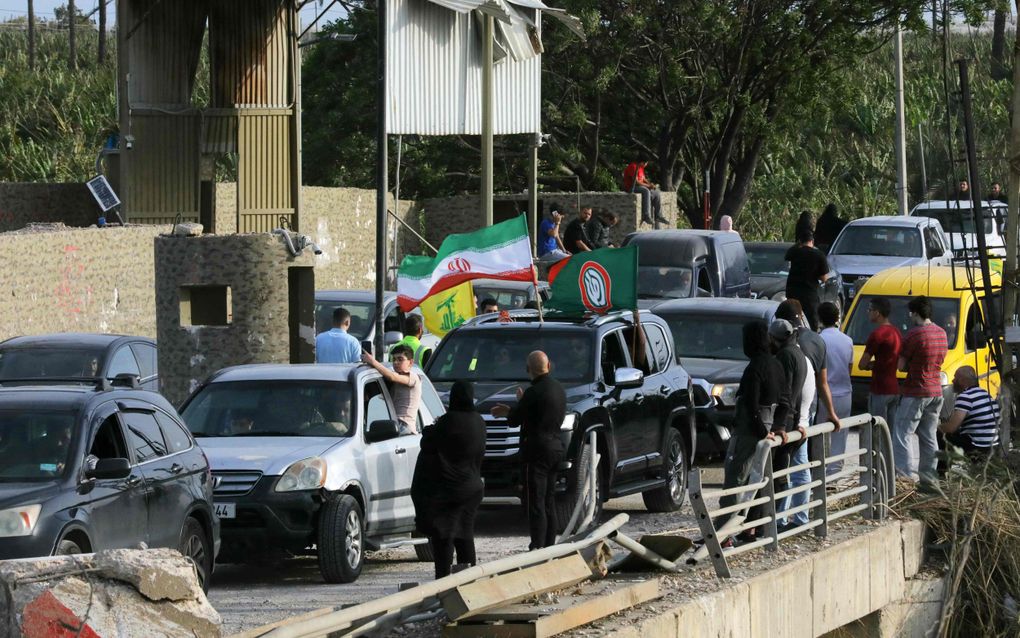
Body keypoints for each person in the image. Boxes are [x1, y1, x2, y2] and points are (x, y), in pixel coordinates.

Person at [716, 320, 785, 543]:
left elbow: (750, 403)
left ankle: (723, 534)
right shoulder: (776, 364)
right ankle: (751, 529)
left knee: (734, 481)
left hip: (749, 432)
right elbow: (785, 401)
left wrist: (759, 430)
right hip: (769, 429)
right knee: (758, 482)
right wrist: (777, 428)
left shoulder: (755, 366)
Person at [490, 351, 566, 550]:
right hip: (556, 448)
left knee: (535, 500)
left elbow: (515, 420)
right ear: (548, 365)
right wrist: (520, 406)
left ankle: (537, 545)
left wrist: (511, 410)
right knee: (549, 500)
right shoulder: (558, 388)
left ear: (527, 369)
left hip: (537, 452)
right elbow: (539, 413)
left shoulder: (533, 392)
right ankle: (549, 545)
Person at [411, 380, 486, 578]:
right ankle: (467, 579)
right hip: (472, 488)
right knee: (465, 535)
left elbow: (428, 443)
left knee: (444, 536)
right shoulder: (479, 421)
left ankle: (443, 581)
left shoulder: (448, 421)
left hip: (448, 491)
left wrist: (430, 429)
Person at [894, 295, 948, 487]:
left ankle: (905, 480)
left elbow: (900, 366)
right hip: (936, 391)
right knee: (929, 436)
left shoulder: (913, 335)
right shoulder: (942, 333)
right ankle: (929, 481)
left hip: (916, 391)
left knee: (902, 434)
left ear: (914, 313)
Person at [767, 319, 807, 536]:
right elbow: (799, 393)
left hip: (785, 421)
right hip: (795, 419)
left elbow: (786, 392)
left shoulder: (784, 356)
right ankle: (777, 521)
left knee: (778, 473)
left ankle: (774, 523)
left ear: (774, 338)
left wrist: (780, 424)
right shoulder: (799, 354)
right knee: (785, 471)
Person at [817, 302, 853, 474]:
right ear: (837, 318)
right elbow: (849, 368)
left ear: (819, 318)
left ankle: (819, 472)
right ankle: (835, 475)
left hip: (824, 395)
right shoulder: (848, 340)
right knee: (840, 435)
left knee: (818, 436)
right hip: (845, 393)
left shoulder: (818, 340)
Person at [939, 366, 999, 462]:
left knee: (940, 435)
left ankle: (942, 473)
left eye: (955, 378)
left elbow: (951, 428)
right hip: (993, 445)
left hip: (977, 446)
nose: (953, 380)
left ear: (962, 380)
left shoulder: (966, 397)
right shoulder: (985, 393)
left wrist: (936, 428)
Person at [858, 297, 901, 427]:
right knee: (890, 432)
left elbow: (862, 364)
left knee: (877, 429)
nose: (868, 312)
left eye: (870, 310)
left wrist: (872, 365)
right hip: (894, 387)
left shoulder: (877, 334)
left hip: (879, 388)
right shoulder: (896, 332)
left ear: (877, 312)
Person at [362, 344, 422, 435]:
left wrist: (373, 361)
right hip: (394, 423)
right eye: (394, 359)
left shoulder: (413, 377)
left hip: (405, 426)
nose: (396, 362)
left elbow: (392, 376)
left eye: (400, 359)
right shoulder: (394, 380)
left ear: (410, 362)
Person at [784, 227, 830, 331]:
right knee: (811, 320)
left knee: (792, 317)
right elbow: (824, 278)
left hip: (792, 291)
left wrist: (798, 244)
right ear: (812, 241)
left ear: (800, 241)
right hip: (809, 293)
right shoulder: (818, 255)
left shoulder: (794, 253)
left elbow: (787, 255)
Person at [623, 159, 667, 225]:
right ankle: (646, 215)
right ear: (642, 162)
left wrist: (651, 185)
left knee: (656, 193)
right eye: (646, 163)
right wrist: (648, 186)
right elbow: (636, 182)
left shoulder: (641, 168)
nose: (646, 164)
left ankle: (658, 215)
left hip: (639, 187)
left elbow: (643, 179)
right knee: (646, 191)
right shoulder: (633, 167)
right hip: (631, 188)